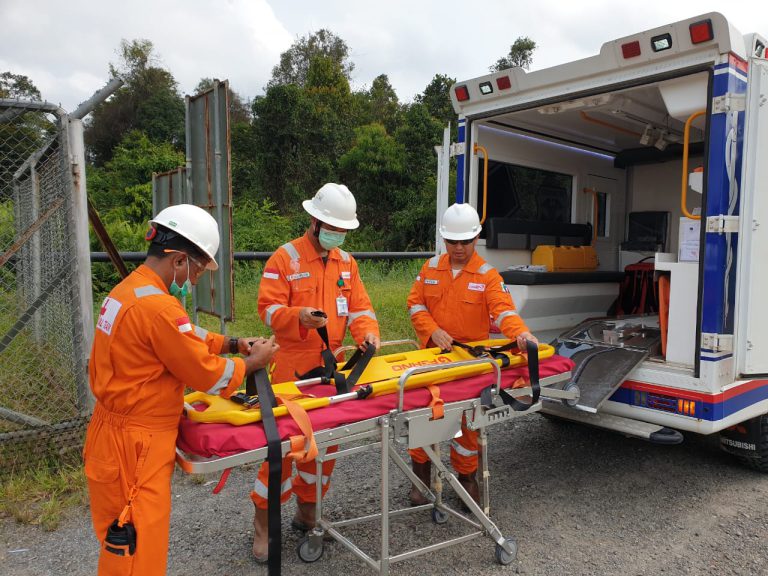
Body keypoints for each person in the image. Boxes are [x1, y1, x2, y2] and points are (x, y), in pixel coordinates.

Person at [84, 204, 277, 576]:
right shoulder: (158, 308)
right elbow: (207, 375)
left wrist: (232, 342)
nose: (196, 279)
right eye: (198, 269)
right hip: (137, 444)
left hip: (113, 433)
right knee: (137, 545)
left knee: (118, 539)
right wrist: (253, 362)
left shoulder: (129, 291)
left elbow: (185, 336)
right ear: (178, 261)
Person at [253, 183, 380, 561]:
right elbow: (267, 309)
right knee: (284, 450)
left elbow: (360, 309)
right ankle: (263, 526)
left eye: (341, 229)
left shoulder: (347, 263)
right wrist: (299, 318)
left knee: (323, 447)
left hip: (331, 369)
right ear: (314, 220)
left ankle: (307, 514)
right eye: (330, 226)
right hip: (291, 369)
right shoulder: (285, 258)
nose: (335, 234)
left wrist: (368, 333)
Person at [406, 202, 537, 507]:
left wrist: (520, 333)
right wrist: (432, 330)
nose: (460, 248)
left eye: (466, 241)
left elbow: (503, 311)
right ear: (444, 239)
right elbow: (415, 305)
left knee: (467, 425)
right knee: (424, 417)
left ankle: (467, 480)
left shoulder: (487, 275)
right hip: (433, 358)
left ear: (476, 238)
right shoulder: (430, 269)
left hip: (469, 362)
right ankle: (421, 480)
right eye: (453, 241)